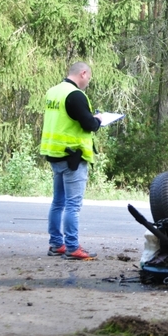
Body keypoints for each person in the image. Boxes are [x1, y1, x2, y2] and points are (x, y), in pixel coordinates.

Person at [39, 62, 109, 260]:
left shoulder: (53, 92)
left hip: (54, 153)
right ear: (83, 73)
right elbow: (88, 124)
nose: (88, 81)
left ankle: (56, 244)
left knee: (58, 202)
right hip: (73, 156)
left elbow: (65, 119)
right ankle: (72, 247)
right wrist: (99, 120)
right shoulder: (75, 95)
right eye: (89, 77)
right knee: (72, 205)